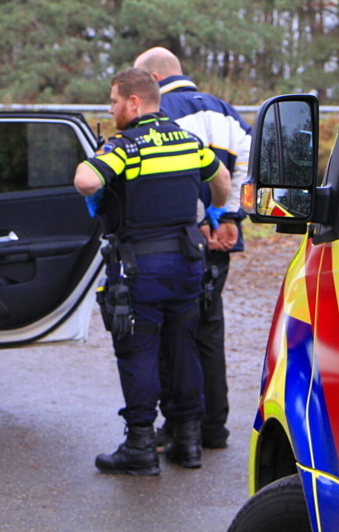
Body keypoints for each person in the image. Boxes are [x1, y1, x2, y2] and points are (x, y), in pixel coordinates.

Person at [74, 67, 230, 475]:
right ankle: (188, 441)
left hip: (142, 267)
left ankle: (141, 447)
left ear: (134, 102)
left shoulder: (126, 146)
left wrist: (103, 165)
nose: (110, 109)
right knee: (183, 348)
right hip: (188, 264)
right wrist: (213, 213)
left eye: (113, 101)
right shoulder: (188, 140)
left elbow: (85, 180)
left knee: (139, 351)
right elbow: (224, 179)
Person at [133, 47, 252, 450]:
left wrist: (203, 219)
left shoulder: (159, 112)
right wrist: (229, 218)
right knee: (209, 330)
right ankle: (214, 426)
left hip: (180, 239)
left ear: (151, 77)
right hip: (220, 241)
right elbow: (246, 168)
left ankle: (181, 425)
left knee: (173, 336)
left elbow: (173, 174)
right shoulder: (228, 112)